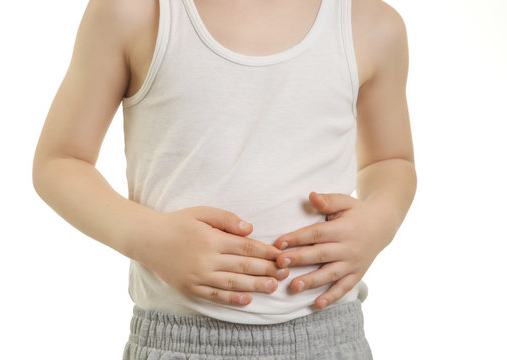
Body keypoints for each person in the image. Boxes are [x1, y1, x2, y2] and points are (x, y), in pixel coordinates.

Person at [32, 0, 416, 358]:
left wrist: (378, 220)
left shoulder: (372, 24)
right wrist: (150, 238)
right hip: (176, 341)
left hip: (330, 336)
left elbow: (390, 160)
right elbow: (60, 160)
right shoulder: (133, 12)